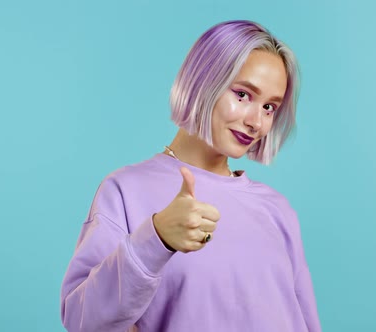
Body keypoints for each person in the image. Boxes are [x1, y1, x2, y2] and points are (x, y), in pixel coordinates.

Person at [60, 20, 321, 332]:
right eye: (242, 94)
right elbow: (83, 320)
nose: (256, 122)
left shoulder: (277, 210)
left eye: (269, 107)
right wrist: (155, 238)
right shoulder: (125, 191)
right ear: (203, 80)